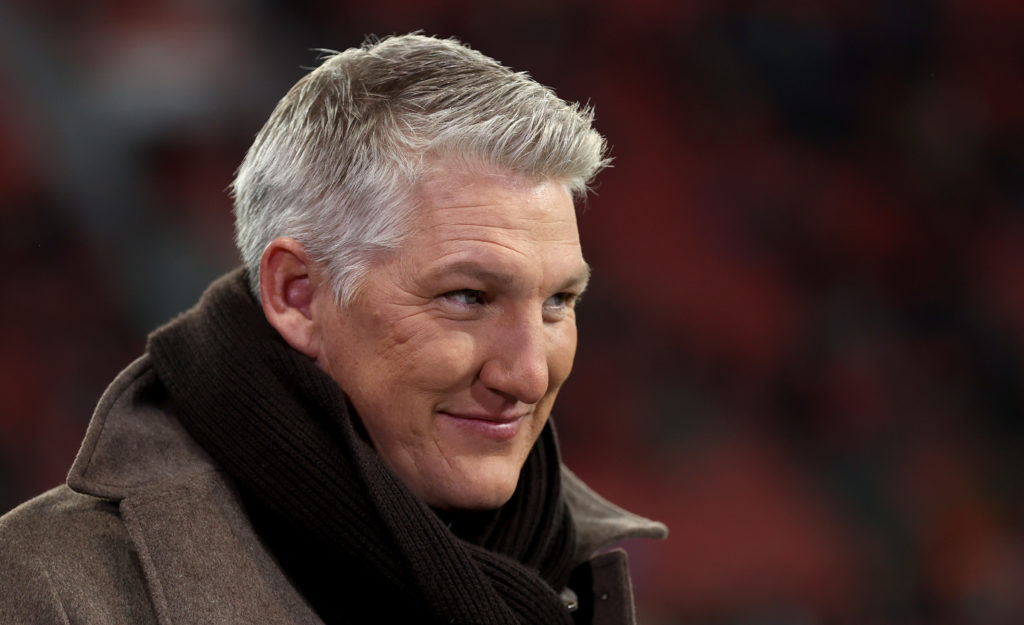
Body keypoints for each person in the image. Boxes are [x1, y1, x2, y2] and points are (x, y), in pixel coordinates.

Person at [0, 34, 666, 624]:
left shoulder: (574, 569)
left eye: (558, 301)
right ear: (297, 295)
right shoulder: (51, 587)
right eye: (467, 296)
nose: (527, 373)